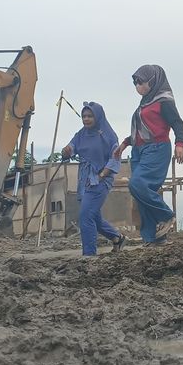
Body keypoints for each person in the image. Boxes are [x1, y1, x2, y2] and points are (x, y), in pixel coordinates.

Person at [113, 65, 183, 244]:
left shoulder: (164, 101)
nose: (137, 86)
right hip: (138, 151)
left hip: (157, 149)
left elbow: (177, 123)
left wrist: (180, 143)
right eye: (135, 83)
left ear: (153, 81)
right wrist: (125, 143)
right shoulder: (145, 103)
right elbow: (141, 131)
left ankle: (166, 215)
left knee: (137, 184)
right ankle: (153, 238)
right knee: (142, 196)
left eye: (140, 82)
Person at [61, 102, 125, 256]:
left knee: (86, 215)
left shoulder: (109, 136)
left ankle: (89, 255)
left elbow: (115, 158)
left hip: (101, 180)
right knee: (94, 217)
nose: (86, 119)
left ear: (98, 117)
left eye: (90, 116)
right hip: (84, 180)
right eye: (84, 116)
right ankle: (117, 238)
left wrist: (102, 175)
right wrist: (66, 151)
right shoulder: (81, 134)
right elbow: (70, 149)